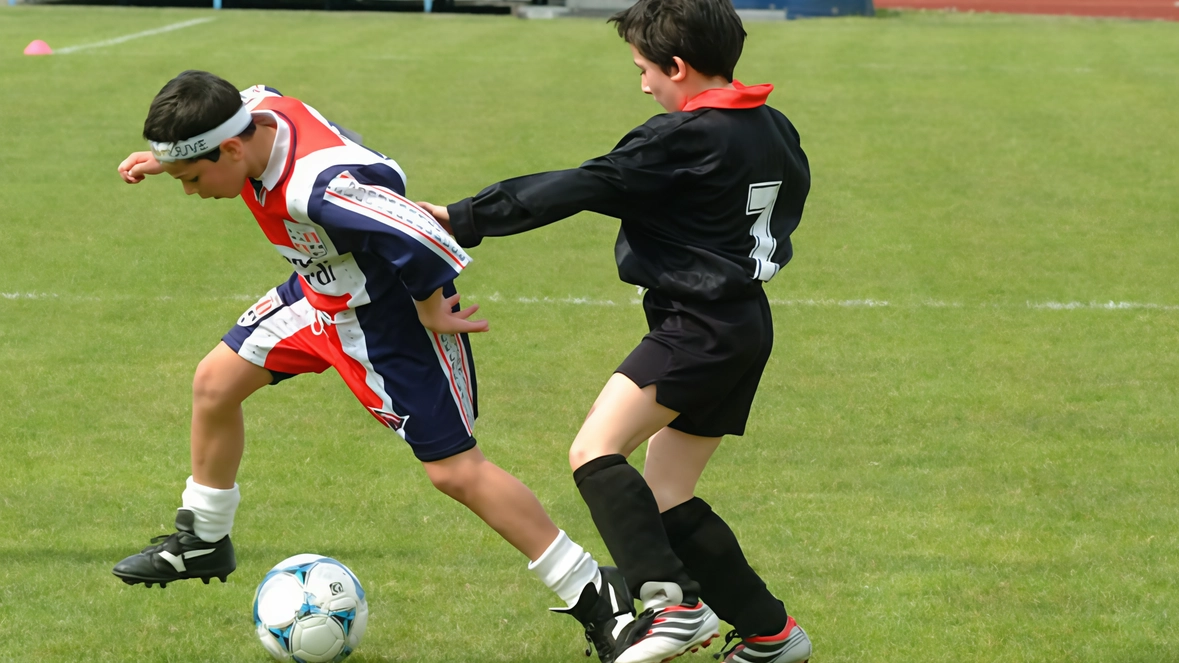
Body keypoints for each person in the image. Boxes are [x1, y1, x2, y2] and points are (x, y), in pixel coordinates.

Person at [111, 70, 637, 663]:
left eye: (193, 178)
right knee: (215, 381)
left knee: (455, 472)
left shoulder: (317, 187)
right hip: (319, 293)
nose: (190, 191)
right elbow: (243, 101)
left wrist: (432, 307)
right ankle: (205, 539)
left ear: (232, 148)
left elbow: (415, 229)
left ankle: (595, 592)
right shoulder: (249, 114)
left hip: (383, 318)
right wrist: (166, 160)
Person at [418, 1, 813, 662]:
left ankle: (670, 603)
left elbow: (584, 183)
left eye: (644, 70)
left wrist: (462, 217)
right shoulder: (773, 126)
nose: (643, 85)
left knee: (594, 452)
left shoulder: (680, 138)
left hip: (696, 325)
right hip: (743, 322)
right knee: (665, 496)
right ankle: (772, 635)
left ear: (678, 66)